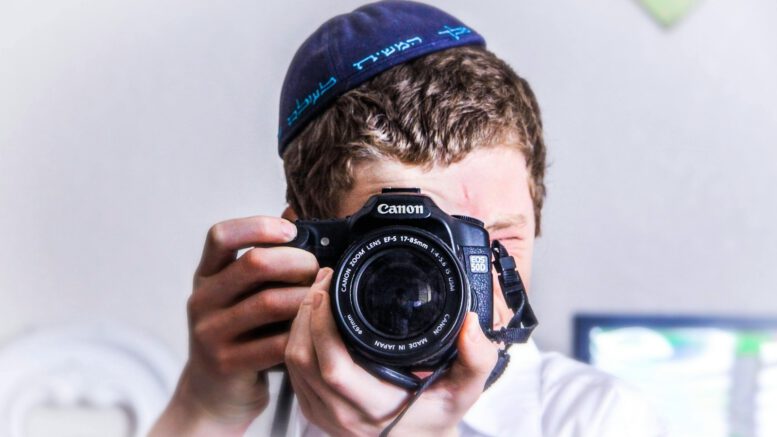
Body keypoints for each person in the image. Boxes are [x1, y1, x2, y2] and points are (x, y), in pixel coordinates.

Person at [151, 1, 666, 436]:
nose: (460, 286)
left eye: (496, 243)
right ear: (307, 250)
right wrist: (205, 406)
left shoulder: (590, 417)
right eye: (409, 251)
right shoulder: (254, 411)